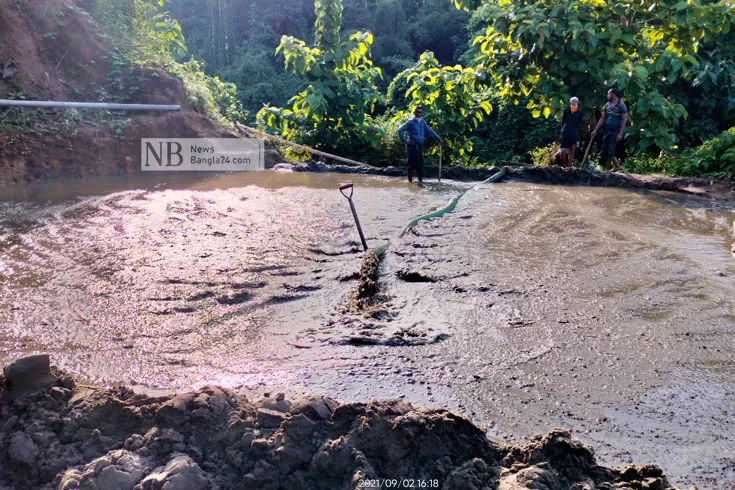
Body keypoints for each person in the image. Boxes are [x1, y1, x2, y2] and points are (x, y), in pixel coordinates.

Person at [397, 106, 443, 183]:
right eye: (418, 112)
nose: (419, 114)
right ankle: (410, 182)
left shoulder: (422, 122)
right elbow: (399, 130)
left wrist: (438, 138)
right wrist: (405, 141)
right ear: (414, 113)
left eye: (420, 112)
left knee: (421, 163)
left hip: (420, 145)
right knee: (411, 164)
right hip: (412, 145)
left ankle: (420, 181)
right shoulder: (410, 122)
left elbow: (430, 131)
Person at [591, 87, 627, 172]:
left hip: (616, 129)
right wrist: (595, 130)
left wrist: (620, 133)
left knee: (611, 150)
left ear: (613, 94)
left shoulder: (621, 105)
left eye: (608, 93)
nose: (607, 95)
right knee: (604, 149)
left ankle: (607, 168)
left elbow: (623, 120)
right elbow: (602, 119)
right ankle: (617, 166)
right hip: (607, 129)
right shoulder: (607, 105)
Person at [559, 97, 584, 168]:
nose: (575, 102)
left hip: (574, 132)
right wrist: (562, 131)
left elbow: (579, 123)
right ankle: (563, 164)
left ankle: (569, 165)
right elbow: (563, 122)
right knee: (562, 150)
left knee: (572, 149)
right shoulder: (566, 111)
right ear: (570, 102)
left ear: (577, 102)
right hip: (566, 131)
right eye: (573, 101)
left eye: (576, 101)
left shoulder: (579, 112)